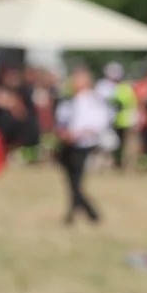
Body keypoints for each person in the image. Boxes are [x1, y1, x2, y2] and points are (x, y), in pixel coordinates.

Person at [53, 65, 108, 225]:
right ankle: (76, 213)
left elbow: (98, 123)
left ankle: (88, 213)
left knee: (76, 182)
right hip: (68, 144)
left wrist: (77, 133)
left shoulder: (92, 100)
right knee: (71, 181)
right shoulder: (70, 99)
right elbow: (62, 119)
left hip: (82, 144)